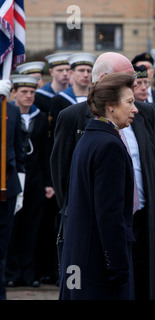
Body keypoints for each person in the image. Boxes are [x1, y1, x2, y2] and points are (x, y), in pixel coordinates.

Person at [51, 52, 155, 300]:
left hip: (140, 225)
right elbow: (64, 180)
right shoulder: (82, 124)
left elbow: (150, 168)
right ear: (106, 85)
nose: (135, 86)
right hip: (101, 235)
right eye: (128, 80)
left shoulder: (141, 115)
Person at [59, 73, 138, 300]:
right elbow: (109, 214)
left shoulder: (90, 138)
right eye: (130, 102)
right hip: (98, 267)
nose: (136, 109)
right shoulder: (109, 145)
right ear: (111, 106)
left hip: (80, 257)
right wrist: (118, 266)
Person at [5, 75, 53, 289]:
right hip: (14, 177)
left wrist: (48, 182)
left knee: (31, 228)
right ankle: (12, 272)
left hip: (35, 180)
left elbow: (46, 151)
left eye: (32, 92)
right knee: (12, 226)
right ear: (14, 92)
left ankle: (29, 271)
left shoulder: (40, 118)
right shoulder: (9, 114)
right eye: (24, 92)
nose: (28, 96)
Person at [0, 80, 25, 300]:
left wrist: (21, 189)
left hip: (7, 188)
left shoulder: (13, 110)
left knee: (1, 252)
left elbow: (18, 151)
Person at [48, 52, 96, 139]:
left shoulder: (97, 98)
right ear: (71, 73)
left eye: (89, 71)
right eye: (81, 70)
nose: (85, 75)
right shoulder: (59, 99)